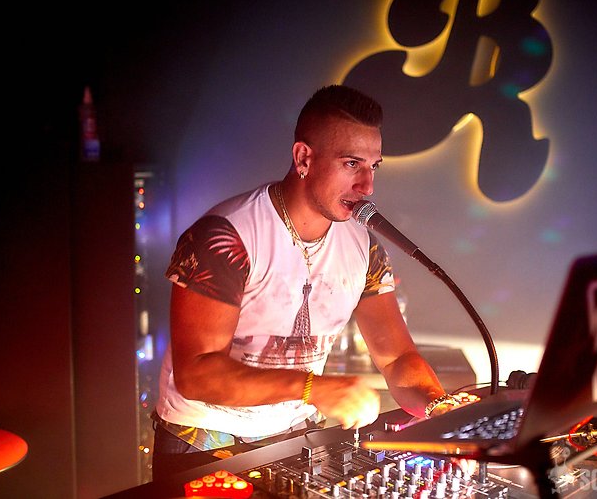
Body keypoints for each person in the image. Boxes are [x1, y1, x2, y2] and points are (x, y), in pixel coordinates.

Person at [151, 84, 462, 480]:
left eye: (373, 166)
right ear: (303, 158)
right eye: (351, 163)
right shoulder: (226, 237)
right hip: (205, 441)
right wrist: (316, 388)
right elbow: (197, 375)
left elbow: (397, 358)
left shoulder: (364, 248)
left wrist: (438, 408)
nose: (367, 186)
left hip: (297, 437)